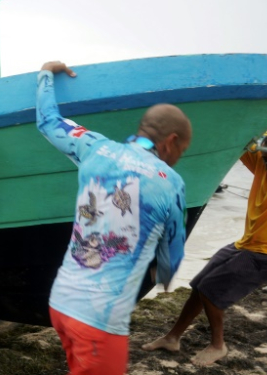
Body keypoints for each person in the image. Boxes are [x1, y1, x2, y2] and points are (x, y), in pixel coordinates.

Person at [37, 61, 192, 375]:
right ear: (171, 141)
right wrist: (162, 277)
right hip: (99, 322)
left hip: (60, 304)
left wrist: (45, 74)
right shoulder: (171, 182)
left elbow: (47, 122)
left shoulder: (95, 147)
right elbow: (172, 254)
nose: (178, 157)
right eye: (182, 150)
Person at [142, 115, 267, 366]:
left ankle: (218, 345)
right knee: (200, 284)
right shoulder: (263, 168)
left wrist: (266, 103)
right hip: (245, 245)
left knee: (211, 290)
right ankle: (172, 337)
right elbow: (241, 141)